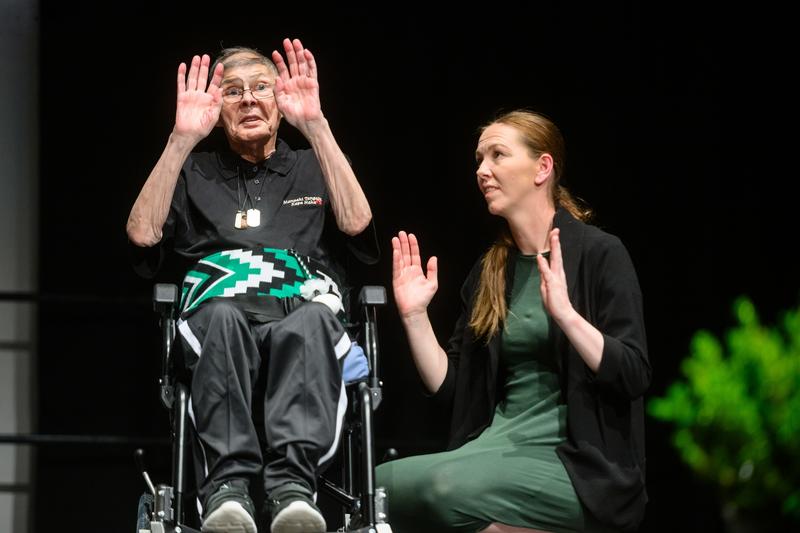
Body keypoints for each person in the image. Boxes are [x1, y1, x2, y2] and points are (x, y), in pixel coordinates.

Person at [126, 38, 377, 533]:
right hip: (217, 321)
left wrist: (317, 126)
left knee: (310, 322)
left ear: (280, 102)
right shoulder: (193, 171)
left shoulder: (311, 165)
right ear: (216, 110)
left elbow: (357, 227)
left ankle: (292, 492)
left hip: (298, 316)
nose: (248, 100)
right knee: (222, 316)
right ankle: (226, 491)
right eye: (233, 92)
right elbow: (141, 236)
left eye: (262, 88)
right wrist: (180, 139)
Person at [377, 110, 651, 533]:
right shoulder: (492, 270)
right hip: (496, 451)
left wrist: (567, 315)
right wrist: (415, 317)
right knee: (378, 486)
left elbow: (633, 373)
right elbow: (452, 389)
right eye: (479, 159)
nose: (482, 171)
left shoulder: (599, 254)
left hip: (575, 467)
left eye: (497, 155)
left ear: (543, 167)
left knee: (443, 488)